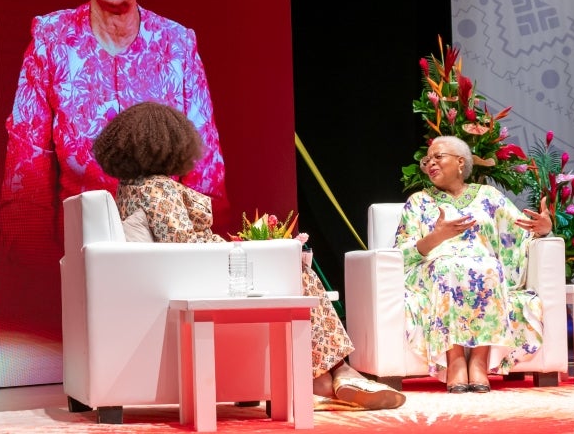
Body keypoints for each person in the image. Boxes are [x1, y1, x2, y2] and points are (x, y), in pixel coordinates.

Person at [92, 101, 405, 410]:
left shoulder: (129, 188)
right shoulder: (159, 189)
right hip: (194, 275)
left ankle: (328, 376)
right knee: (296, 273)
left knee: (289, 266)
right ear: (170, 144)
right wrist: (240, 249)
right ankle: (338, 372)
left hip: (179, 272)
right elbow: (183, 243)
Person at [0, 0, 227, 271]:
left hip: (172, 274)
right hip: (76, 278)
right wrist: (58, 295)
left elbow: (207, 189)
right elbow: (25, 197)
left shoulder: (178, 46)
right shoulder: (50, 42)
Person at [394, 135, 553, 393]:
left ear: (460, 162)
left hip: (482, 266)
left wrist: (543, 230)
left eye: (438, 157)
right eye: (427, 160)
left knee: (490, 267)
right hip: (433, 268)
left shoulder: (489, 196)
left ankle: (479, 361)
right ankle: (455, 360)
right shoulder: (419, 201)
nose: (430, 163)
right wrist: (437, 237)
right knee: (448, 267)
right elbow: (402, 252)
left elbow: (520, 235)